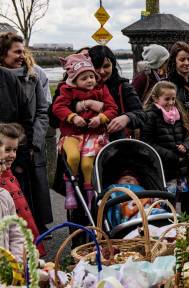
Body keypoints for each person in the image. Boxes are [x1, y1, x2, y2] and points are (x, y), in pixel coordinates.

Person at [0, 32, 52, 232]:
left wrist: (30, 144)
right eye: (17, 51)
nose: (21, 55)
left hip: (20, 144)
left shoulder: (32, 75)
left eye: (23, 51)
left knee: (23, 195)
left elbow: (36, 113)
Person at [52, 53, 118, 209]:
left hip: (93, 135)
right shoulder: (67, 90)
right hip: (72, 134)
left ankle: (89, 196)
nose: (90, 80)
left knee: (88, 165)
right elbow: (57, 107)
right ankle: (70, 190)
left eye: (91, 77)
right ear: (74, 81)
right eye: (84, 78)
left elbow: (112, 108)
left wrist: (101, 118)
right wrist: (72, 117)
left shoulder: (102, 89)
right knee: (73, 157)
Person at [0, 123, 44, 255]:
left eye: (14, 150)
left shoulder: (9, 173)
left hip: (22, 233)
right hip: (10, 244)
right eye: (7, 150)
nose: (12, 155)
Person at [141, 81, 189, 195]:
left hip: (179, 169)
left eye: (173, 99)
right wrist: (171, 155)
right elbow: (147, 143)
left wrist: (186, 146)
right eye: (167, 99)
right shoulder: (151, 116)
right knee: (166, 201)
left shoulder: (178, 114)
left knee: (181, 200)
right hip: (163, 169)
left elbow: (187, 136)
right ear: (155, 98)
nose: (171, 102)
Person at [89, 45, 146, 140]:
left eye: (106, 66)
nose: (102, 71)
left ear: (113, 65)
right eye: (97, 67)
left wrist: (127, 117)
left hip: (116, 146)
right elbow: (56, 118)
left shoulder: (123, 87)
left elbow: (142, 115)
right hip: (84, 146)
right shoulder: (77, 87)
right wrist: (81, 104)